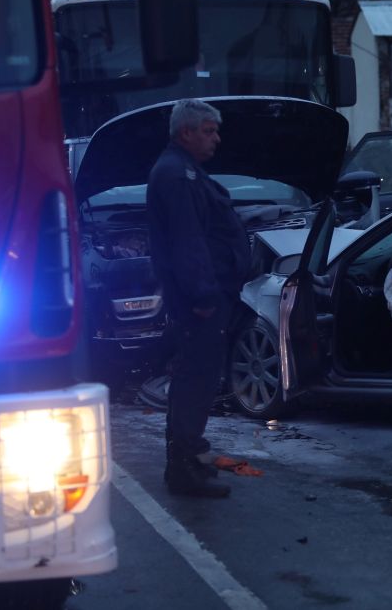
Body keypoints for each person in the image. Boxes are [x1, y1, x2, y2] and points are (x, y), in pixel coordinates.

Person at [147, 99, 251, 499]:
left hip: (203, 299)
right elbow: (188, 242)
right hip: (198, 303)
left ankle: (190, 460)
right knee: (195, 380)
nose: (216, 138)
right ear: (186, 132)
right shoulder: (177, 174)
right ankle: (183, 469)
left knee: (199, 379)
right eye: (209, 130)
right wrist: (204, 294)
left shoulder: (184, 171)